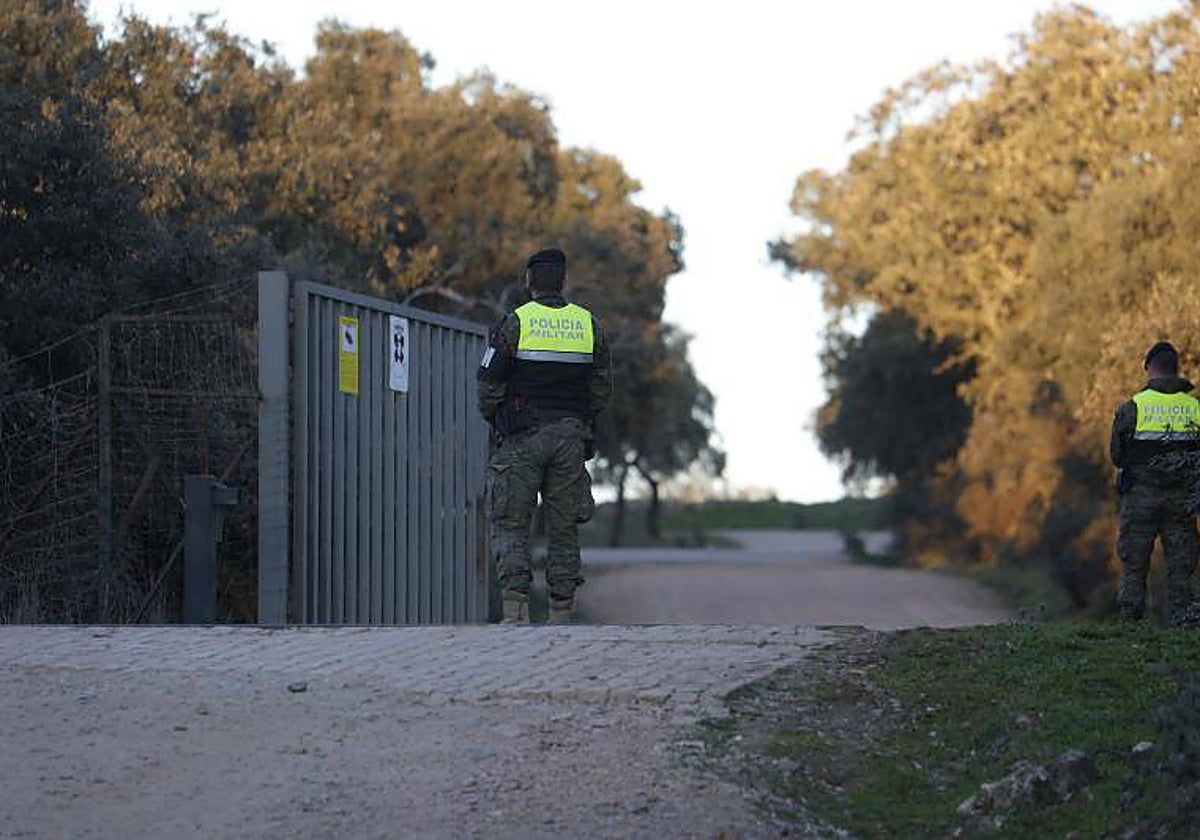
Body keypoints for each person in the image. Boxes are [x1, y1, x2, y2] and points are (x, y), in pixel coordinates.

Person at [477, 248, 610, 624]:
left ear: (528, 282)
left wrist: (499, 420)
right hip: (570, 439)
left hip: (521, 438)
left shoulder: (515, 323)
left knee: (511, 522)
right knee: (564, 527)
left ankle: (515, 611)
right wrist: (581, 423)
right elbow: (601, 389)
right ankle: (561, 614)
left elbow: (488, 384)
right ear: (564, 282)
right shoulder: (588, 325)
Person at [1110, 341, 1200, 626]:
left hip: (1140, 500)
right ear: (1177, 369)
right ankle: (1183, 628)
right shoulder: (1195, 408)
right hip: (1182, 503)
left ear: (1148, 368)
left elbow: (1117, 457)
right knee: (1182, 569)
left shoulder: (1131, 409)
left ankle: (1130, 626)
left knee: (1134, 566)